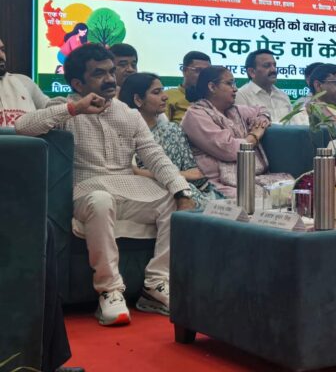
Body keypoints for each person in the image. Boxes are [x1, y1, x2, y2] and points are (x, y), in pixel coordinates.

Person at [15, 44, 194, 326]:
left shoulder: (129, 113)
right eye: (99, 74)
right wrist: (74, 109)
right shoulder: (63, 107)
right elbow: (23, 127)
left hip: (127, 186)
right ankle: (110, 290)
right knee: (100, 200)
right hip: (86, 189)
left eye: (111, 71)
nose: (110, 79)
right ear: (78, 83)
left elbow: (155, 157)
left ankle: (156, 283)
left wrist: (182, 190)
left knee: (173, 199)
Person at [181, 66, 289, 198]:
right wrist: (255, 135)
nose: (235, 89)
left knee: (290, 187)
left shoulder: (234, 110)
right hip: (216, 182)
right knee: (253, 197)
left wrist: (261, 119)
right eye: (229, 83)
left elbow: (261, 110)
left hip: (249, 176)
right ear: (212, 87)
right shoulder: (195, 115)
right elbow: (229, 149)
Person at [119, 73, 224, 207]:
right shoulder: (122, 132)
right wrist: (180, 175)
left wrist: (182, 176)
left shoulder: (171, 129)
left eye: (163, 90)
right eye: (156, 92)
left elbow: (195, 174)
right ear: (138, 99)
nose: (165, 96)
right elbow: (131, 172)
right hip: (142, 190)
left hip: (180, 187)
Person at [235, 48, 308, 125]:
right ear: (252, 72)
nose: (273, 70)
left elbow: (293, 124)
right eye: (267, 66)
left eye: (274, 65)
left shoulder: (283, 96)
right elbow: (241, 128)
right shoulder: (241, 95)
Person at [0, 37, 50, 126]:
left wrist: (72, 107)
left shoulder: (24, 82)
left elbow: (50, 109)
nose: (1, 55)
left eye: (2, 50)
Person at [165, 51, 210, 124]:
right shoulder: (167, 96)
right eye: (198, 70)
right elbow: (161, 127)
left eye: (207, 72)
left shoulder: (213, 97)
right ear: (184, 70)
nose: (203, 76)